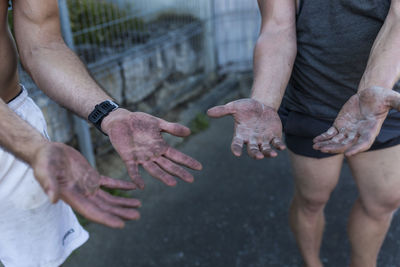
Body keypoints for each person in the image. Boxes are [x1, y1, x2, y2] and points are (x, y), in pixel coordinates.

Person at [0, 0, 202, 266]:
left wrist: (108, 113)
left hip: (16, 126)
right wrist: (33, 147)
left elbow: (42, 44)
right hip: (27, 143)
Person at [207, 0, 400, 266]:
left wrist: (370, 94)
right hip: (311, 97)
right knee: (312, 198)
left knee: (383, 201)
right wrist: (264, 102)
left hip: (384, 98)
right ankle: (311, 263)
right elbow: (277, 26)